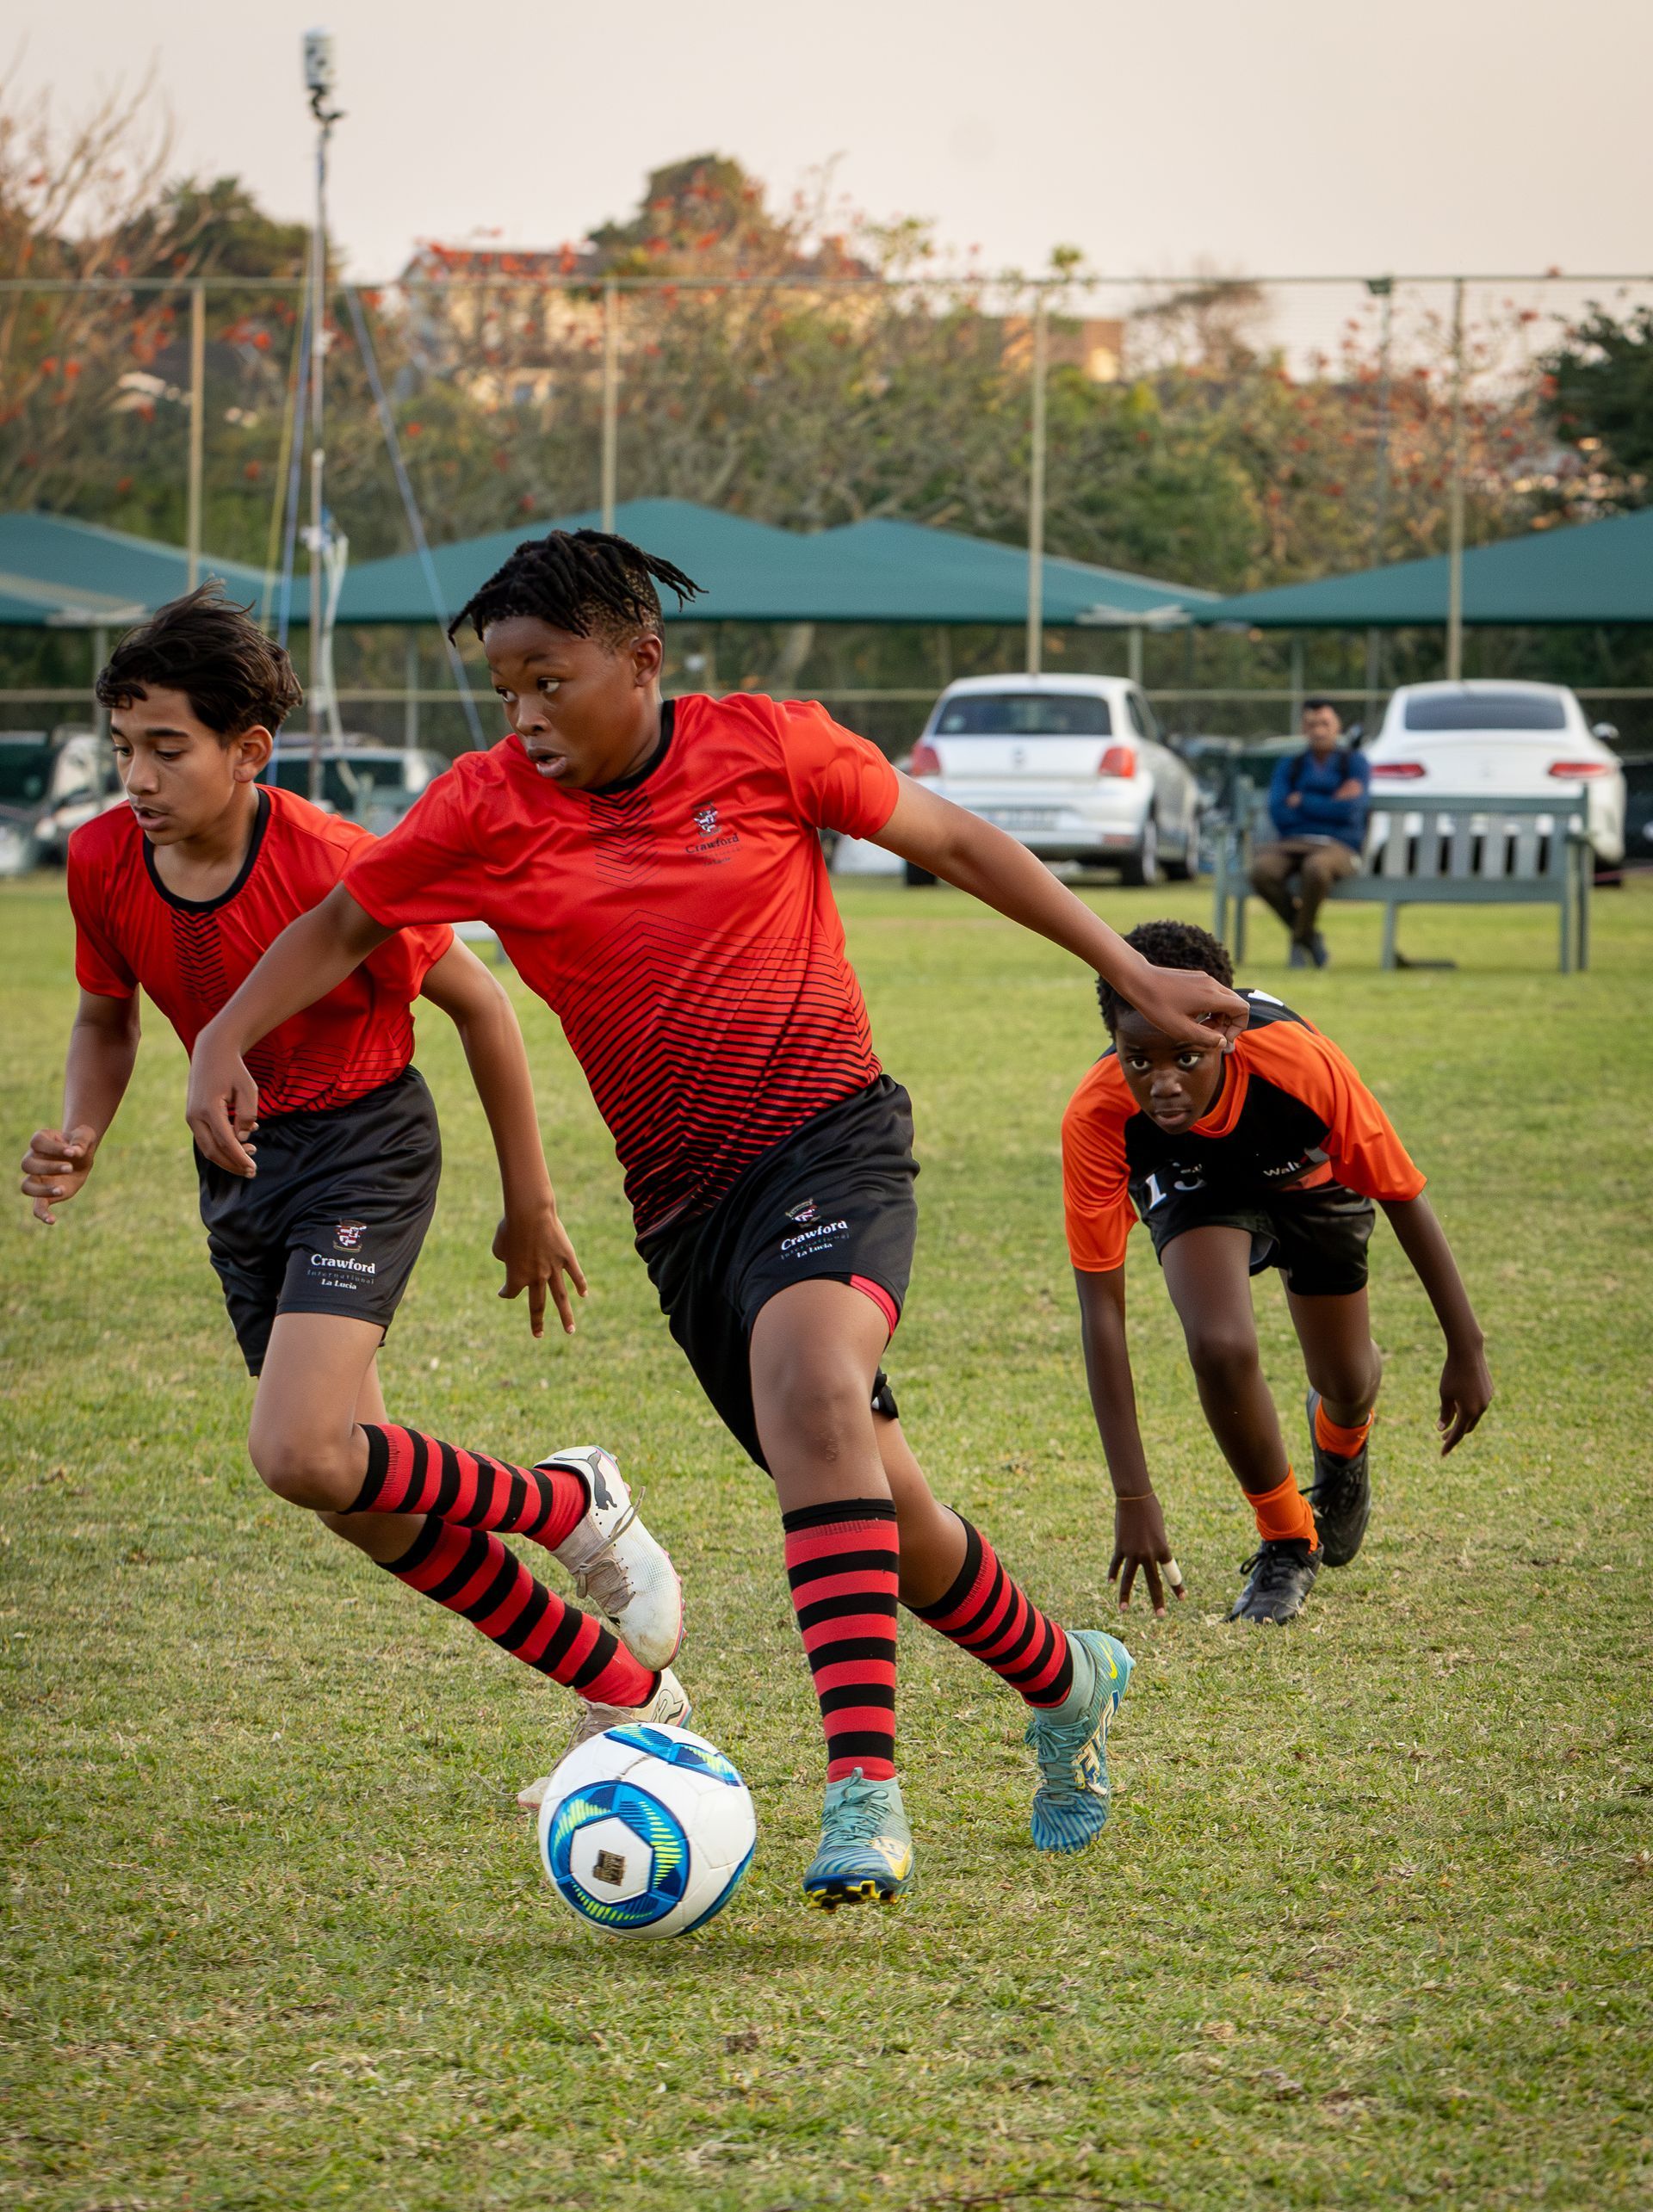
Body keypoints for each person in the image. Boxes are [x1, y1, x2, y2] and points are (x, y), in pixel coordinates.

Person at [183, 531, 1249, 1909]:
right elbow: (338, 923)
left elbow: (960, 843)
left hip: (832, 1138)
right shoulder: (481, 808)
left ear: (643, 659)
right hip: (685, 1214)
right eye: (504, 689)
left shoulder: (767, 746)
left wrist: (1127, 970)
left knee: (815, 1387)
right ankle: (1065, 1673)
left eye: (550, 681)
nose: (524, 717)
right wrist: (223, 1036)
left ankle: (863, 1792)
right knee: (886, 1511)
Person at [22, 585, 685, 1743]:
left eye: (168, 750)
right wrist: (81, 1130)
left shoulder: (337, 862)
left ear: (248, 751)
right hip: (239, 1171)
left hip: (363, 1146)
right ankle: (623, 1689)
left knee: (296, 1450)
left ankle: (569, 1502)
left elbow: (482, 1005)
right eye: (123, 748)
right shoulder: (98, 862)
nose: (137, 777)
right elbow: (106, 1020)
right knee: (352, 1494)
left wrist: (529, 1199)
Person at [1062, 918, 1491, 1625]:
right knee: (1220, 1345)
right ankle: (1288, 1540)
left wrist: (1465, 1346)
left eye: (1185, 1058)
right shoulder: (1100, 1114)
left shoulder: (1299, 1064)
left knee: (1347, 1380)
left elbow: (1403, 1195)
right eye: (1137, 1059)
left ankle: (1341, 1444)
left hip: (1309, 1177)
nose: (1161, 1084)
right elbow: (1101, 1309)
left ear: (1225, 1031)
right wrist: (1133, 1494)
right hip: (1195, 1180)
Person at [1249, 698, 1371, 968]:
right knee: (1262, 871)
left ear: (1337, 726)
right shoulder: (1289, 766)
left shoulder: (1354, 763)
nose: (1318, 730)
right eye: (1311, 724)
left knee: (1316, 869)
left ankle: (1298, 940)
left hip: (1338, 846)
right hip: (1293, 842)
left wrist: (1303, 801)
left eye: (1325, 723)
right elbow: (1280, 813)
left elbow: (1351, 810)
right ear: (1303, 728)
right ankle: (1309, 937)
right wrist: (1331, 802)